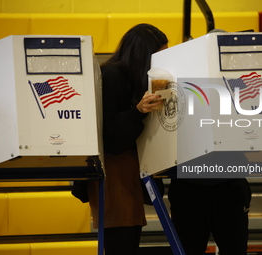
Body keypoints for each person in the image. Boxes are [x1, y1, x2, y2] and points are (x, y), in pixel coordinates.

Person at [87, 23, 168, 255]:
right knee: (121, 243)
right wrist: (138, 111)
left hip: (130, 169)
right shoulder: (110, 76)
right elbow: (110, 138)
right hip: (113, 172)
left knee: (130, 240)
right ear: (143, 54)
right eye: (158, 56)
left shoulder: (135, 77)